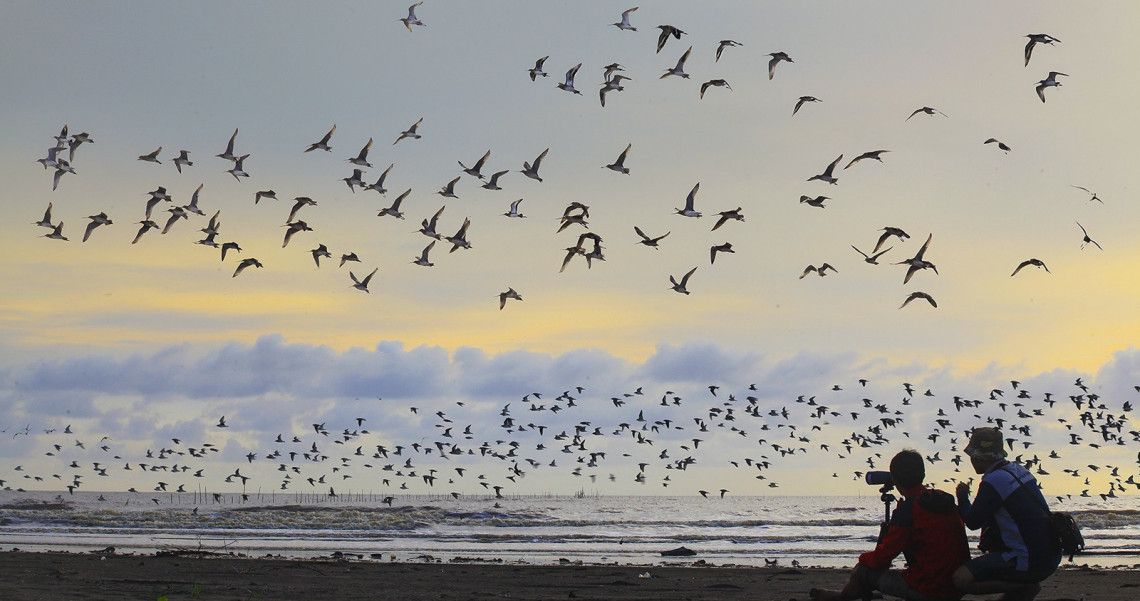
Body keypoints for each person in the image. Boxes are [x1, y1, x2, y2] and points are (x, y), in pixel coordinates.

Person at [811, 450, 970, 601]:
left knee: (862, 570)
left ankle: (841, 597)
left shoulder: (909, 508)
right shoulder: (940, 500)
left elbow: (882, 558)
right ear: (923, 475)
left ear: (894, 479)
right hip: (958, 584)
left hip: (929, 587)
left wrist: (862, 560)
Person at [953, 427, 1062, 601]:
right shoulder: (1019, 471)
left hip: (1028, 560)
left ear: (979, 457)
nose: (971, 460)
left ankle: (1024, 586)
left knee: (960, 578)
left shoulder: (994, 480)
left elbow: (973, 522)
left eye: (973, 456)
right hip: (1051, 555)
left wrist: (962, 497)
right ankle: (1021, 589)